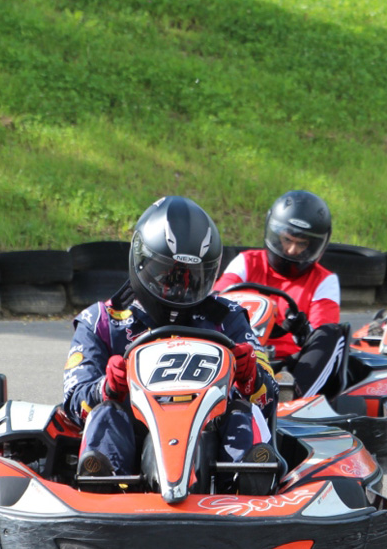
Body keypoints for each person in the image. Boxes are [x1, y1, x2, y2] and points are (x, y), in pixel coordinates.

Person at [63, 196, 279, 493]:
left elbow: (271, 396)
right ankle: (104, 485)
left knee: (243, 410)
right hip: (134, 439)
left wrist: (250, 376)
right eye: (169, 276)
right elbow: (73, 403)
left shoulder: (228, 317)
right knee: (106, 412)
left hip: (210, 442)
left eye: (192, 278)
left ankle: (247, 481)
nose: (179, 289)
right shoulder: (102, 321)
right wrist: (107, 389)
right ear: (142, 262)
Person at [213, 190, 346, 399]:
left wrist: (302, 330)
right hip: (242, 354)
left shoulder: (325, 280)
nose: (292, 250)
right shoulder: (246, 262)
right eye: (287, 239)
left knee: (332, 333)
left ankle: (293, 398)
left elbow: (321, 330)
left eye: (302, 244)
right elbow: (217, 297)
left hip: (290, 366)